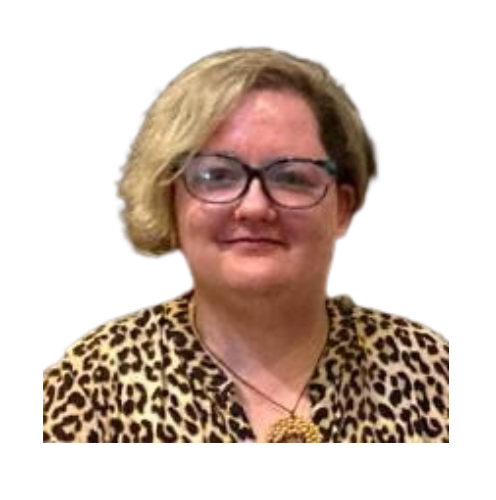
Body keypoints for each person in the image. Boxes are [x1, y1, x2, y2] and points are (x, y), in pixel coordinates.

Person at [43, 47, 449, 443]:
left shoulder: (434, 375)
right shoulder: (94, 387)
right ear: (170, 199)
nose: (255, 207)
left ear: (341, 209)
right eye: (217, 175)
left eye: (291, 177)